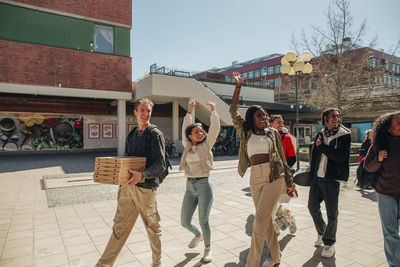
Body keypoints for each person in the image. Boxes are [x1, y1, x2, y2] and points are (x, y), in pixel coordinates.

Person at [230, 72, 297, 267]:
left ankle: (252, 263)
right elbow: (233, 111)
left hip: (274, 176)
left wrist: (290, 183)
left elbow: (283, 160)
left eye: (265, 116)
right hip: (255, 177)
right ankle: (276, 257)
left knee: (259, 223)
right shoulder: (245, 131)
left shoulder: (273, 133)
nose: (264, 118)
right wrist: (238, 86)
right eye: (260, 115)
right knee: (266, 221)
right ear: (252, 117)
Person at [96, 98, 167, 267]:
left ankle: (157, 263)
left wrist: (142, 175)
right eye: (142, 110)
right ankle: (103, 264)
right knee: (119, 228)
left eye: (148, 110)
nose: (145, 113)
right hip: (128, 188)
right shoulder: (132, 134)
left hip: (146, 189)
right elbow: (127, 160)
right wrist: (121, 185)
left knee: (153, 228)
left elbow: (161, 165)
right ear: (135, 112)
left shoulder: (155, 134)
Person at [179, 99, 220, 263]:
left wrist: (213, 111)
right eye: (196, 131)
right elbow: (184, 128)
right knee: (184, 221)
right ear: (190, 136)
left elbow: (215, 128)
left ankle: (208, 249)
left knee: (204, 220)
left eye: (202, 131)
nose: (201, 133)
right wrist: (190, 111)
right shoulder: (187, 145)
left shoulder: (207, 145)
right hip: (189, 186)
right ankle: (198, 235)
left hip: (204, 186)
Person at [308, 108, 351, 258]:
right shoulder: (321, 133)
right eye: (333, 116)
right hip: (317, 178)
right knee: (312, 207)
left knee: (332, 213)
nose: (337, 119)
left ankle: (329, 243)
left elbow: (340, 157)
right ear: (325, 118)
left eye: (338, 116)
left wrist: (323, 147)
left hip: (331, 180)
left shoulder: (344, 135)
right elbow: (315, 155)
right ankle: (322, 232)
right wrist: (311, 174)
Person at [364, 111, 400, 267]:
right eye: (398, 123)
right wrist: (378, 159)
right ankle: (394, 264)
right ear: (388, 128)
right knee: (390, 233)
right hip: (386, 194)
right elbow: (367, 167)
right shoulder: (380, 145)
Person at [270, 114, 297, 235]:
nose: (281, 125)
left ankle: (290, 221)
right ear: (271, 124)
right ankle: (276, 228)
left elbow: (292, 158)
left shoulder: (286, 138)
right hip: (270, 177)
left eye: (282, 122)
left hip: (283, 176)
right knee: (273, 207)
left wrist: (282, 169)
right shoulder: (267, 137)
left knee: (282, 205)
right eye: (278, 122)